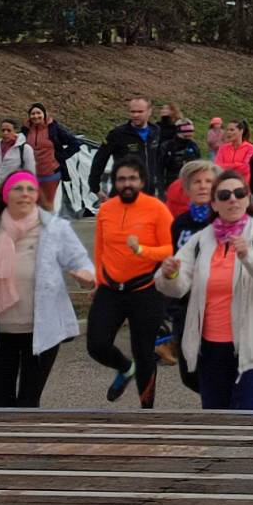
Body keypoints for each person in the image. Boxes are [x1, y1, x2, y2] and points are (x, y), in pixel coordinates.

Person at [0, 171, 95, 408]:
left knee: (28, 404)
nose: (24, 194)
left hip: (41, 331)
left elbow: (82, 263)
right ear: (4, 194)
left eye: (30, 189)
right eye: (17, 189)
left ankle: (28, 445)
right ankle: (7, 445)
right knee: (1, 405)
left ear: (37, 195)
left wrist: (86, 277)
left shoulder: (55, 228)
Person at [158, 168, 253, 410]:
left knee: (244, 425)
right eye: (224, 195)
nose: (233, 199)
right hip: (211, 351)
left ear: (248, 199)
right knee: (216, 424)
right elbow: (176, 288)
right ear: (215, 204)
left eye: (239, 193)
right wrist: (169, 273)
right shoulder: (200, 240)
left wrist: (249, 257)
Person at [87, 156, 174, 409]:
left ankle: (147, 412)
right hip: (110, 289)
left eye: (132, 178)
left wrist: (142, 251)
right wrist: (99, 280)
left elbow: (170, 248)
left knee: (144, 352)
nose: (127, 183)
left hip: (145, 290)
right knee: (96, 345)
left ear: (142, 181)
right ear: (115, 182)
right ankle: (125, 368)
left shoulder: (156, 208)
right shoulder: (106, 210)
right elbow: (100, 248)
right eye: (122, 179)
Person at [162, 161, 221, 374]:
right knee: (189, 372)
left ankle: (223, 404)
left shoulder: (225, 220)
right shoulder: (180, 223)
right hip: (185, 305)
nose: (203, 186)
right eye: (197, 182)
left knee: (215, 367)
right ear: (187, 188)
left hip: (217, 304)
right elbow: (174, 261)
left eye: (208, 181)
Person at [88, 96, 168, 195]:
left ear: (149, 112)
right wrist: (95, 187)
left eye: (140, 112)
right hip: (124, 191)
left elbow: (162, 159)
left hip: (149, 191)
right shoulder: (117, 134)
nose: (135, 115)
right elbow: (99, 160)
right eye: (132, 112)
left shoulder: (156, 131)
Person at [22, 104, 67, 211]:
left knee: (47, 204)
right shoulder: (26, 129)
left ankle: (49, 226)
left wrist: (59, 157)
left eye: (38, 113)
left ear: (44, 114)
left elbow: (75, 143)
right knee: (32, 203)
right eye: (33, 114)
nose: (35, 116)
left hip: (50, 173)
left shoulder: (54, 128)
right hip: (31, 174)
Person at [0, 119, 36, 201]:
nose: (5, 133)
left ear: (15, 131)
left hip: (15, 192)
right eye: (3, 130)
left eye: (9, 130)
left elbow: (31, 173)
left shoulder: (24, 149)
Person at [158, 114, 200, 193]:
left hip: (191, 185)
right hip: (171, 184)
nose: (189, 133)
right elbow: (160, 168)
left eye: (191, 130)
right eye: (186, 130)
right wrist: (161, 187)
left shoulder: (194, 146)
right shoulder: (167, 146)